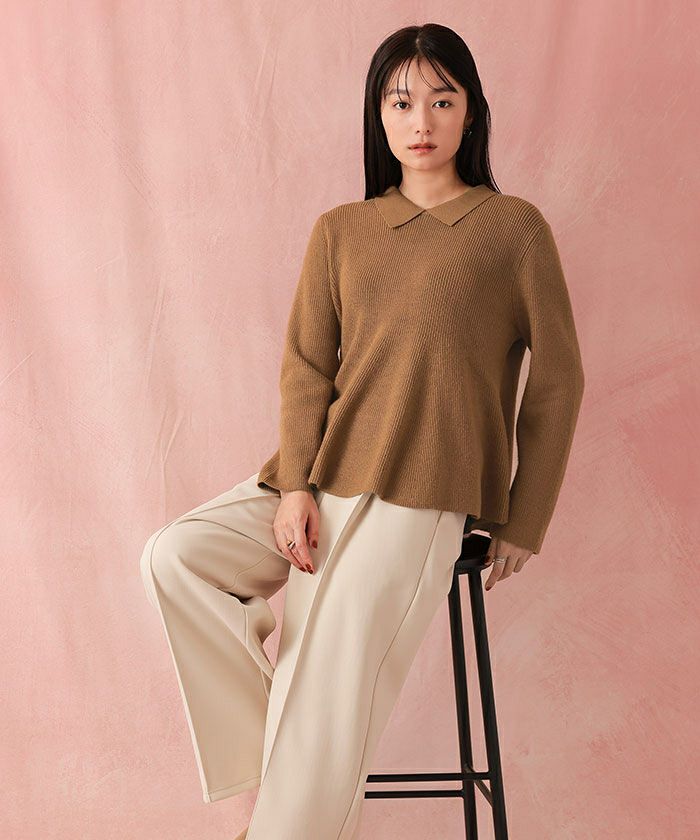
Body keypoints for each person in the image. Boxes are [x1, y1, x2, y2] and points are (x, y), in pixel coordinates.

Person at [139, 22, 584, 840]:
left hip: (426, 491)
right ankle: (281, 771)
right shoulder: (342, 230)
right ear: (379, 116)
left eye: (442, 100)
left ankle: (277, 821)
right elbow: (308, 368)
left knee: (328, 676)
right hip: (321, 476)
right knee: (176, 558)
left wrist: (526, 517)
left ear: (472, 113)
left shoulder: (513, 230)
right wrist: (295, 487)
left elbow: (558, 381)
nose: (422, 121)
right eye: (401, 102)